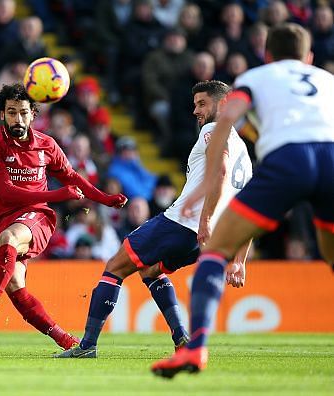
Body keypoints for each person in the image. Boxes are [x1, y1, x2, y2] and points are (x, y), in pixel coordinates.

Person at [152, 23, 334, 378]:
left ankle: (195, 350)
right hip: (330, 160)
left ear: (268, 55)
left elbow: (228, 119)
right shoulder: (326, 79)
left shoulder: (256, 77)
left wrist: (204, 188)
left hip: (289, 160)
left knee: (216, 249)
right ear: (308, 57)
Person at [55, 80, 253, 359]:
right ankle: (181, 337)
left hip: (184, 225)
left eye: (202, 104)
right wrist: (239, 260)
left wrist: (205, 220)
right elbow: (247, 206)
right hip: (209, 237)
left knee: (115, 268)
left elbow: (219, 172)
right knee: (150, 271)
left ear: (223, 104)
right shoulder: (243, 151)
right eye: (195, 104)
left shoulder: (213, 130)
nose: (196, 110)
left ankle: (87, 346)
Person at [0, 83, 127, 349]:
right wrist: (58, 195)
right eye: (11, 113)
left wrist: (104, 198)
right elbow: (6, 193)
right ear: (2, 114)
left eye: (23, 112)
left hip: (37, 217)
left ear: (33, 114)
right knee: (17, 289)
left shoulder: (46, 145)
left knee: (10, 238)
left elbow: (72, 177)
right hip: (0, 221)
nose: (18, 119)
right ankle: (68, 342)